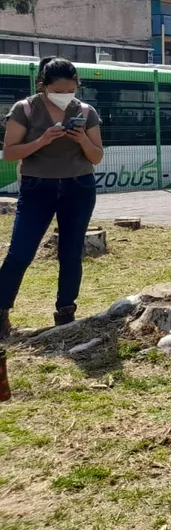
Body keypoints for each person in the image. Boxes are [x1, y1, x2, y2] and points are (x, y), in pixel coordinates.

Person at [0, 57, 104, 337]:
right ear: (44, 86)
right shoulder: (25, 109)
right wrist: (43, 139)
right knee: (20, 252)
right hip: (37, 189)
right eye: (57, 91)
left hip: (78, 188)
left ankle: (66, 313)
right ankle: (1, 314)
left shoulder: (86, 111)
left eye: (70, 90)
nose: (64, 96)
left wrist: (82, 139)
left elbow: (96, 156)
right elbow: (9, 153)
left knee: (70, 254)